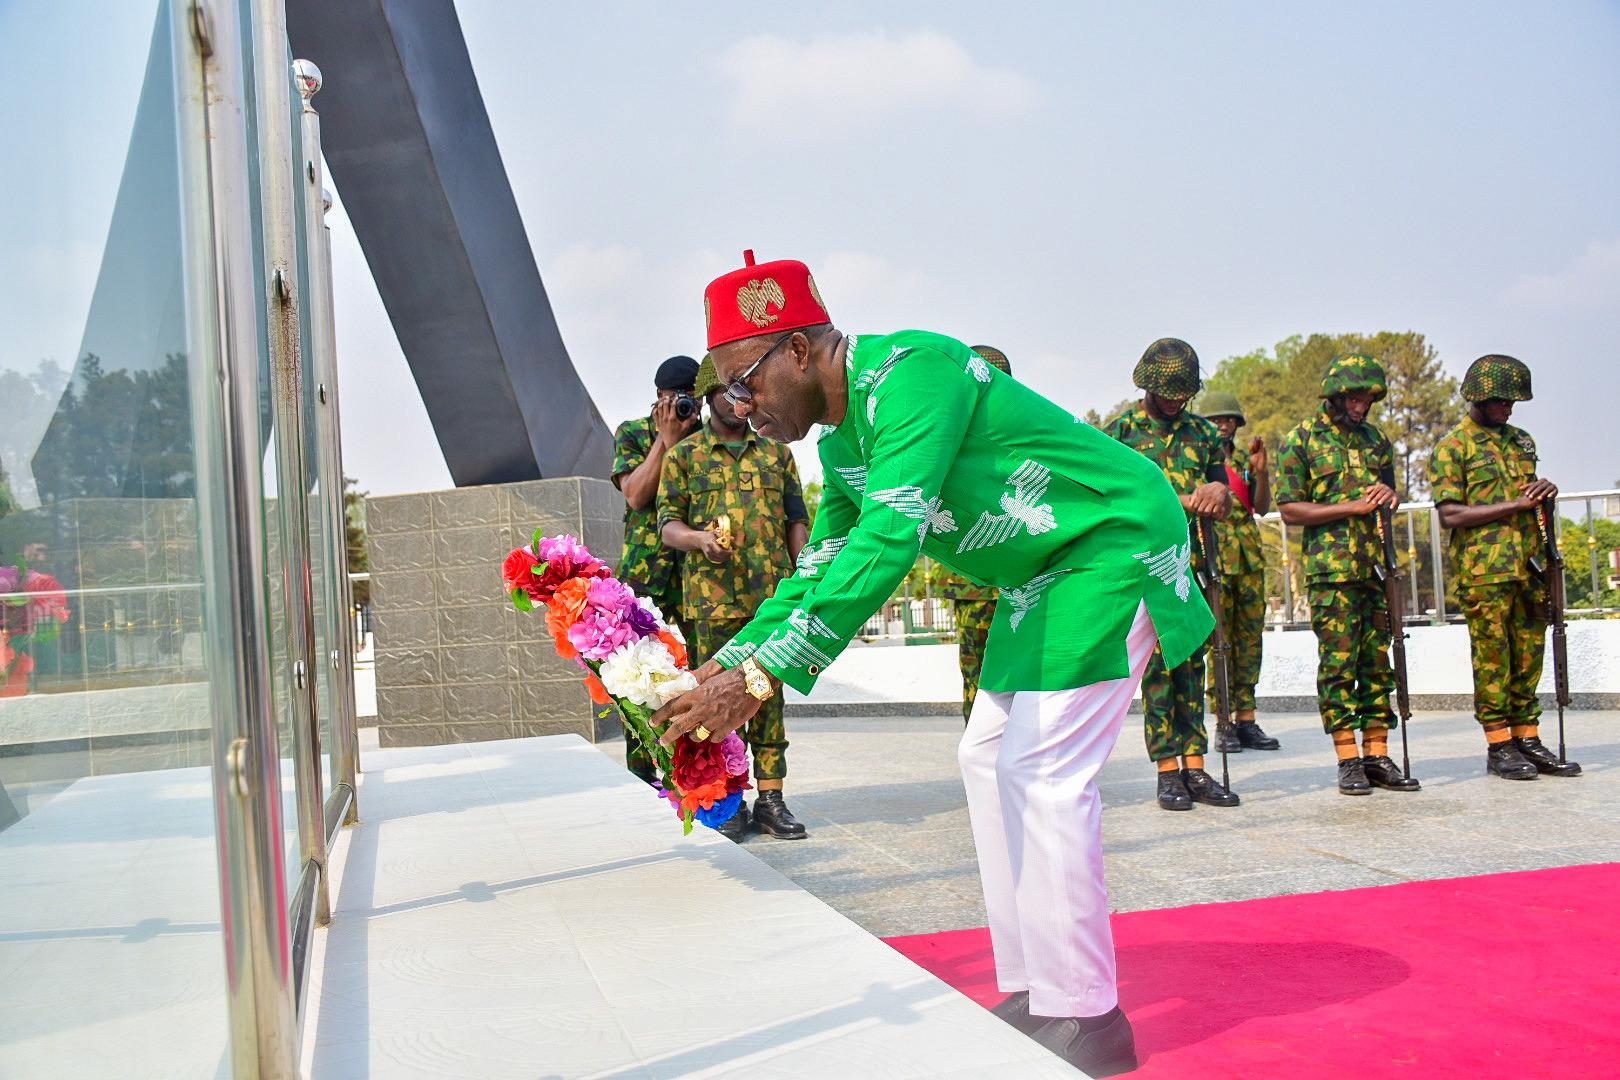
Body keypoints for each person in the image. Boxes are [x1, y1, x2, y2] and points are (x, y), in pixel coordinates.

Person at [652, 250, 1214, 1077]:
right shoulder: (843, 443)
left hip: (1111, 542)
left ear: (798, 352)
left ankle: (1090, 1016)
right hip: (1042, 573)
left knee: (1044, 771)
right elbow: (822, 564)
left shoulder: (911, 372)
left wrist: (765, 676)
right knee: (986, 755)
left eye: (743, 383)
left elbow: (890, 538)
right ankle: (1035, 987)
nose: (741, 408)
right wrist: (724, 663)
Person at [659, 356, 812, 840]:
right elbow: (667, 527)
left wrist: (806, 575)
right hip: (712, 601)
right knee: (717, 702)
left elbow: (796, 521)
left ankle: (771, 799)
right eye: (729, 391)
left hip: (772, 601)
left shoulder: (775, 454)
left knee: (768, 697)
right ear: (708, 398)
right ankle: (729, 801)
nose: (737, 399)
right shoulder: (684, 456)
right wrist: (700, 540)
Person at [1276, 354, 1422, 796]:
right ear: (1335, 397)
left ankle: (1377, 753)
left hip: (1376, 568)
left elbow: (1392, 493)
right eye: (1354, 399)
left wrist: (1387, 497)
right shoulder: (1301, 439)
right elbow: (1288, 509)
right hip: (1330, 572)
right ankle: (1348, 758)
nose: (1361, 407)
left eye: (1367, 400)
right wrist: (1351, 507)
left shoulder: (1377, 440)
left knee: (1378, 663)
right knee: (1339, 666)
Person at [1429, 355, 1581, 780]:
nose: (1508, 409)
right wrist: (1515, 504)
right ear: (1479, 397)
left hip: (1529, 567)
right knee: (1494, 658)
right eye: (1501, 401)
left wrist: (1544, 493)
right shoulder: (1453, 447)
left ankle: (1527, 737)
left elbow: (1532, 501)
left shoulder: (1522, 442)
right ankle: (1499, 745)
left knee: (1529, 655)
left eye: (1513, 402)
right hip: (1485, 572)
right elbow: (1451, 515)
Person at [1103, 341, 1238, 812]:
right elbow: (1106, 500)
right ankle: (1167, 770)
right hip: (1142, 572)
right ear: (1148, 385)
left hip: (1192, 567)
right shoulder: (1120, 431)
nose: (1177, 401)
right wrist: (1179, 502)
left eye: (1184, 393)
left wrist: (1219, 491)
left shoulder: (1203, 433)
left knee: (1192, 664)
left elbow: (1222, 487)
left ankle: (1196, 765)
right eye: (1169, 393)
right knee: (1158, 672)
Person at [610, 355, 701, 780]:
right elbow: (635, 495)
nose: (683, 405)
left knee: (699, 675)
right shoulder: (633, 433)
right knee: (640, 679)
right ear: (659, 398)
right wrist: (664, 440)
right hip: (646, 578)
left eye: (690, 397)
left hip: (700, 578)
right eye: (674, 397)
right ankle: (643, 778)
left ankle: (701, 781)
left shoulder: (710, 437)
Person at [1197, 391, 1280, 753]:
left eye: (1229, 420)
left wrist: (1261, 473)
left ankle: (1247, 718)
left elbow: (1261, 507)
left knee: (1249, 641)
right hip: (1214, 558)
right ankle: (1224, 721)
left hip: (1248, 561)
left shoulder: (1245, 461)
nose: (1224, 425)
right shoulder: (1201, 462)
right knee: (1220, 642)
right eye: (1217, 420)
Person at [936, 345, 1013, 724]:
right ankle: (983, 766)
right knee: (976, 680)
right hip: (970, 583)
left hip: (1019, 581)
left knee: (1023, 678)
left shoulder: (1016, 434)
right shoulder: (941, 435)